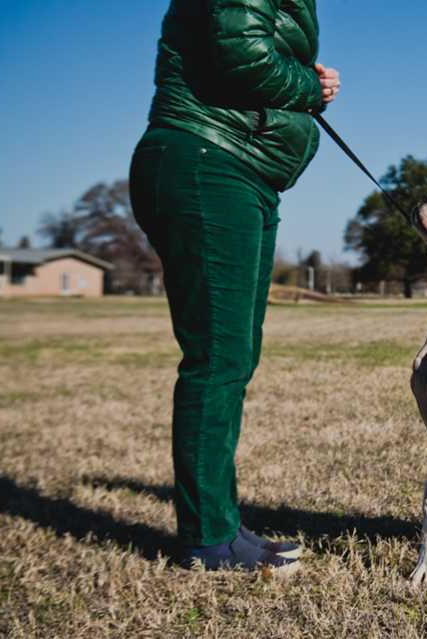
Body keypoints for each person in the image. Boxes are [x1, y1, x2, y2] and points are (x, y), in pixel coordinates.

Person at [129, 0, 339, 572]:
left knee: (234, 356)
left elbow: (256, 47)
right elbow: (242, 57)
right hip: (209, 160)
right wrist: (309, 88)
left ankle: (221, 524)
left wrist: (308, 78)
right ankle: (207, 539)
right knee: (217, 358)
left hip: (240, 169)